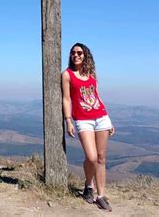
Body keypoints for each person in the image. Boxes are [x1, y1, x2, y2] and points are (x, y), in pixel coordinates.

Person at [62, 43, 115, 212]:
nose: (76, 55)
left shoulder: (91, 74)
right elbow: (67, 99)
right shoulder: (67, 75)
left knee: (101, 157)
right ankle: (88, 184)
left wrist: (109, 119)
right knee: (91, 157)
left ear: (85, 55)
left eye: (79, 52)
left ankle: (100, 195)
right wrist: (68, 120)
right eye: (73, 53)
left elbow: (96, 95)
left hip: (101, 117)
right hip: (82, 120)